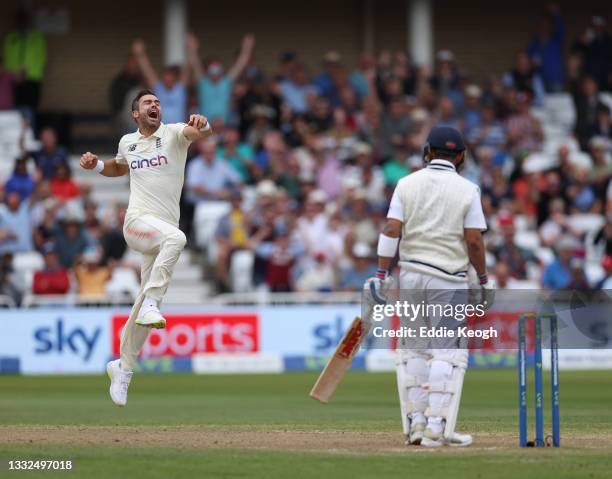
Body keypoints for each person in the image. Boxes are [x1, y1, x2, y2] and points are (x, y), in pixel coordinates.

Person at [79, 88, 212, 406]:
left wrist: (203, 123)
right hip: (138, 223)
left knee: (143, 307)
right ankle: (153, 302)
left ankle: (123, 368)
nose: (154, 105)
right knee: (177, 239)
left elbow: (201, 131)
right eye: (147, 103)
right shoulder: (128, 142)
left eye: (157, 102)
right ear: (135, 113)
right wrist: (97, 165)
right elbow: (118, 167)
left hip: (161, 230)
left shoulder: (175, 133)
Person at [366, 126, 491, 447]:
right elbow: (474, 241)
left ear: (427, 152)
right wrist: (484, 277)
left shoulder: (406, 184)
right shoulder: (468, 189)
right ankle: (437, 427)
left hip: (410, 275)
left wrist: (382, 274)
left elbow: (392, 228)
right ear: (461, 156)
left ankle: (418, 424)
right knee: (446, 353)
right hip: (448, 278)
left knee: (415, 350)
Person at [187, 32, 255, 124]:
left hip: (224, 128)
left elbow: (241, 63)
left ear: (221, 70)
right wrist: (192, 48)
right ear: (207, 70)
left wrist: (247, 47)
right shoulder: (203, 83)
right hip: (205, 128)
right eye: (212, 69)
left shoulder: (226, 82)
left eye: (217, 69)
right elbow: (194, 62)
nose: (215, 71)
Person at [131, 39, 188, 125]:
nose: (168, 79)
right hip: (161, 130)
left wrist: (190, 50)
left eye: (170, 77)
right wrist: (140, 54)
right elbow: (147, 71)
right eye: (165, 77)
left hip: (179, 130)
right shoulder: (158, 88)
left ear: (175, 78)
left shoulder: (180, 89)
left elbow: (187, 69)